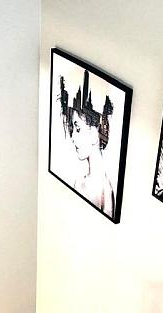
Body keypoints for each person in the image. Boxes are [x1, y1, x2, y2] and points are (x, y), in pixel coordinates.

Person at [59, 71, 116, 217]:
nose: (73, 137)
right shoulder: (80, 181)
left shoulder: (105, 191)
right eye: (73, 129)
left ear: (94, 133)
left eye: (78, 129)